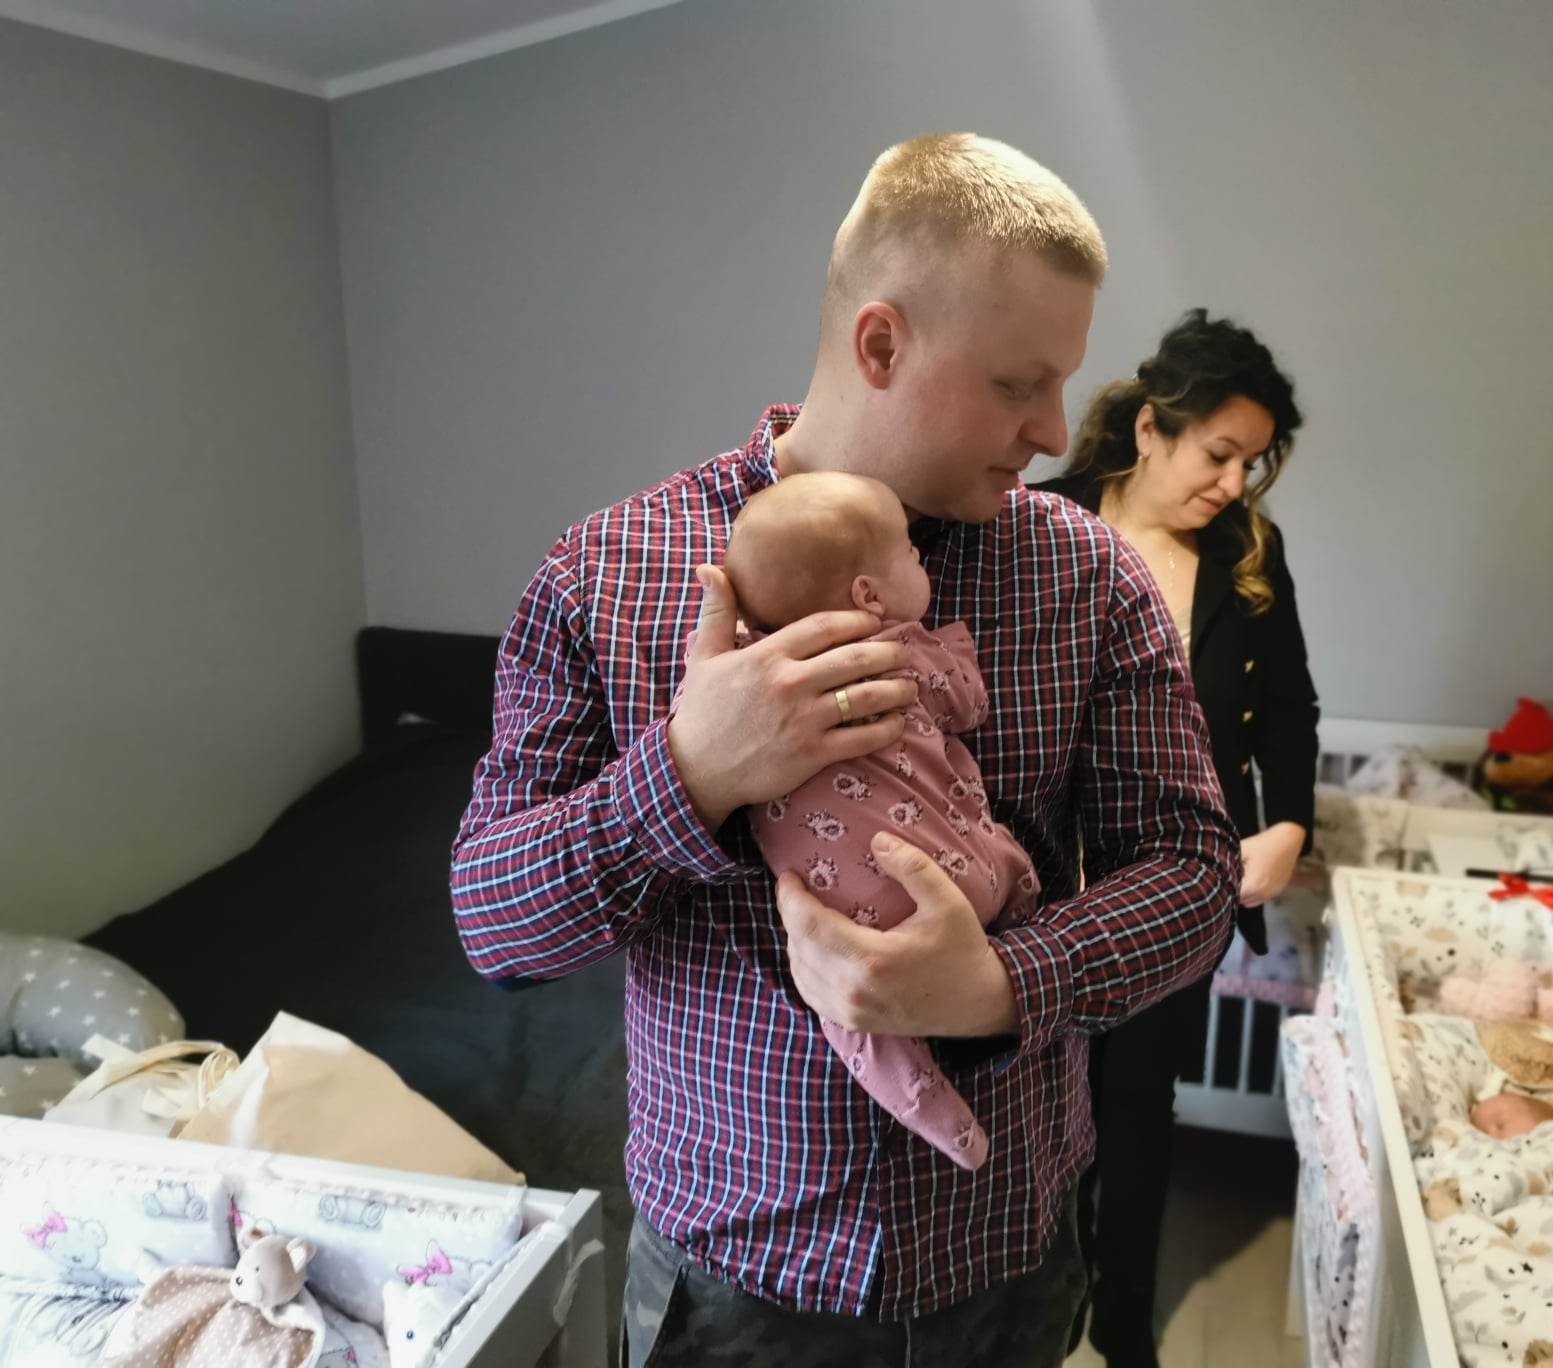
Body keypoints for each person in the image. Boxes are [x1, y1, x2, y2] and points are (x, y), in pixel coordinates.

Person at [449, 134, 1242, 1368]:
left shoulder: (1088, 578)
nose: (1052, 430)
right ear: (880, 345)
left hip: (1009, 1267)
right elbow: (494, 924)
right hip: (733, 1292)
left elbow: (1196, 875)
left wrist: (1001, 984)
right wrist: (690, 773)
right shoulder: (608, 574)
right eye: (1018, 384)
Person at [1035, 310, 1319, 1368]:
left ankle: (1122, 1322)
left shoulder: (1246, 556)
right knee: (1041, 1108)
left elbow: (1288, 711)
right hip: (1048, 884)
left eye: (1252, 464)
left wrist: (1288, 822)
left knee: (1138, 1108)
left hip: (1181, 887)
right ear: (1152, 429)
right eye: (1219, 454)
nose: (1235, 485)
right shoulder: (1041, 524)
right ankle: (1041, 1307)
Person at [726, 469, 1044, 1172]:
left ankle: (944, 1121)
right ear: (868, 596)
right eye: (908, 550)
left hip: (829, 904)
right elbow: (967, 703)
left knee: (853, 1019)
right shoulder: (898, 650)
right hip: (951, 880)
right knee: (1002, 852)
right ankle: (1023, 897)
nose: (919, 556)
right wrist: (950, 646)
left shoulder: (744, 672)